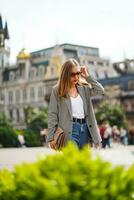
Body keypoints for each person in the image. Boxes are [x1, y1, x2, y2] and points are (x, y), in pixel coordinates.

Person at [46, 59, 104, 149]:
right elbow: (52, 114)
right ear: (65, 74)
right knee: (72, 157)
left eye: (78, 73)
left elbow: (100, 90)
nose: (76, 77)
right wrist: (50, 137)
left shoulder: (83, 88)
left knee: (82, 161)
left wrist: (87, 76)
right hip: (69, 129)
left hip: (85, 128)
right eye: (72, 74)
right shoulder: (57, 90)